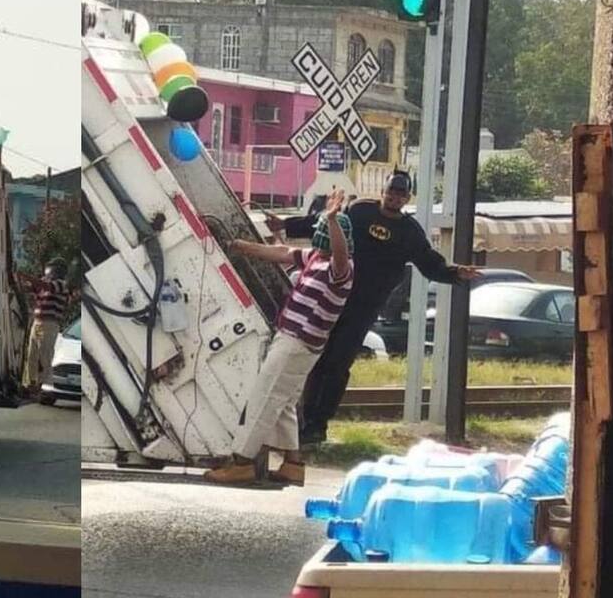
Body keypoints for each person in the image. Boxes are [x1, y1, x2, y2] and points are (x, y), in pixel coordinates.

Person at [280, 170, 481, 446]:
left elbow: (430, 263)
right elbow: (324, 224)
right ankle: (300, 422)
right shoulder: (360, 210)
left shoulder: (410, 232)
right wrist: (286, 225)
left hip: (364, 308)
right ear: (383, 191)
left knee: (338, 365)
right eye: (391, 191)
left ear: (407, 197)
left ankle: (317, 426)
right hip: (332, 296)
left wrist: (455, 272)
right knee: (315, 359)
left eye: (401, 194)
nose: (395, 197)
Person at [204, 188, 354, 487]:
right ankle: (293, 464)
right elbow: (282, 253)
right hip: (300, 343)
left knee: (264, 396)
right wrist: (243, 246)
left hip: (297, 343)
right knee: (284, 402)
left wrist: (333, 221)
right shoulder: (315, 258)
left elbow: (340, 254)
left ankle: (242, 462)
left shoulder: (342, 269)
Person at [17, 258, 71, 397]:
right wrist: (18, 280)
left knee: (44, 355)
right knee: (32, 354)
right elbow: (29, 288)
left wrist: (25, 275)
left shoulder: (61, 284)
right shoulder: (45, 284)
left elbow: (44, 286)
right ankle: (31, 384)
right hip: (37, 322)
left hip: (49, 324)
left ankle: (42, 386)